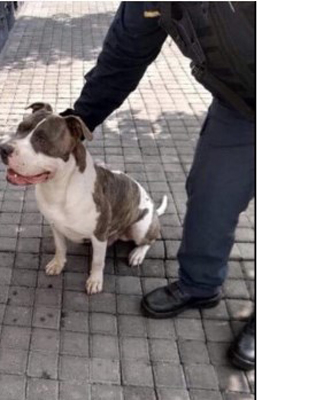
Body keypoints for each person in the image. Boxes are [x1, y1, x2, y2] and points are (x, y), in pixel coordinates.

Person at [60, 2, 255, 370]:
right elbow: (121, 58)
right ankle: (199, 285)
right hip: (239, 106)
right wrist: (73, 126)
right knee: (210, 196)